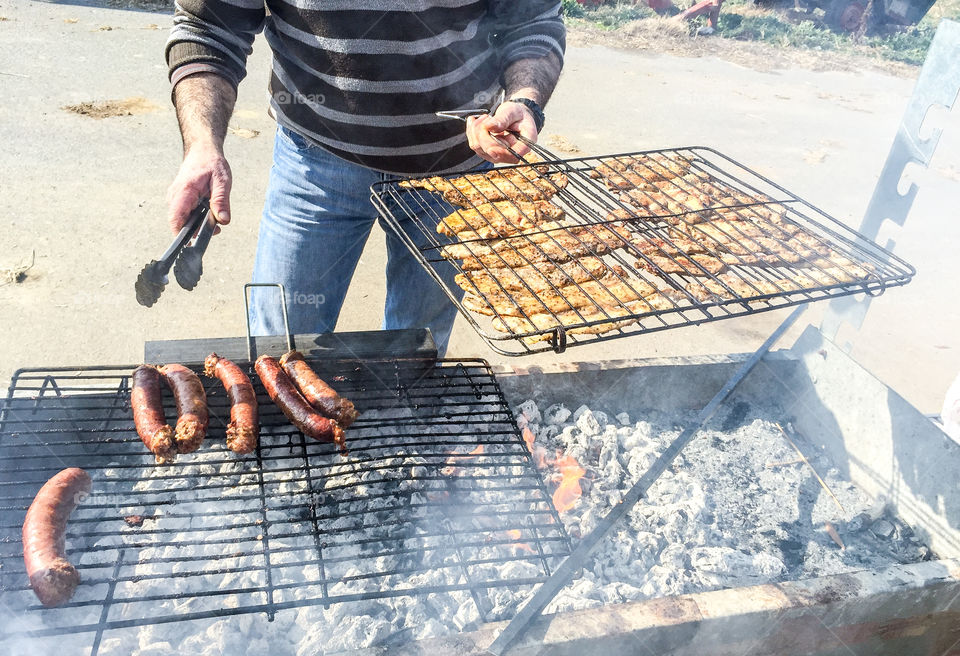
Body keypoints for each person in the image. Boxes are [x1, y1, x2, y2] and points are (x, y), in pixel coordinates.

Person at [164, 1, 566, 354]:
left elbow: (532, 22)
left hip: (455, 175)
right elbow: (208, 28)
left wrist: (524, 100)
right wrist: (202, 143)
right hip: (314, 166)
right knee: (281, 348)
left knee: (417, 352)